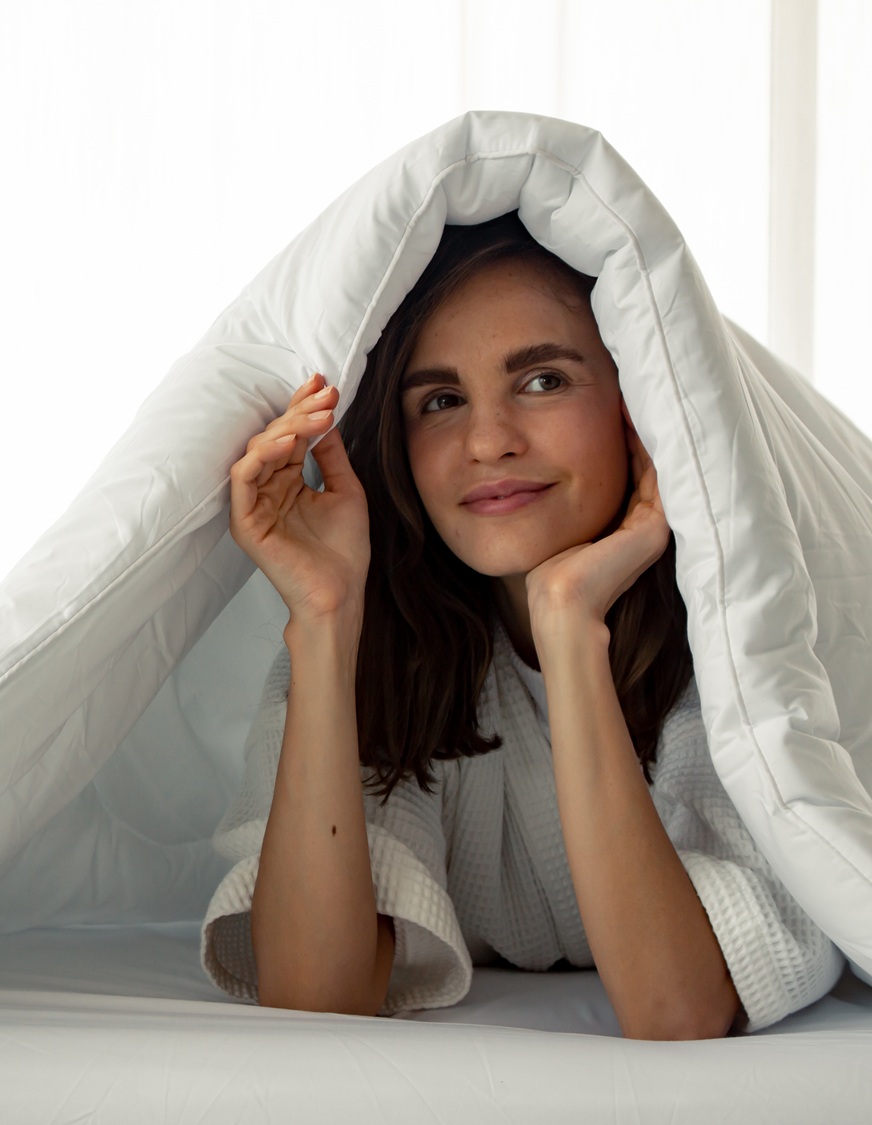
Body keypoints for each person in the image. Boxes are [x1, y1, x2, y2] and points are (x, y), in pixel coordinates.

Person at [202, 213, 841, 1039]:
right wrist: (324, 620)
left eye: (543, 380)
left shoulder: (739, 645)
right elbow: (315, 996)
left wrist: (570, 626)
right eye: (441, 400)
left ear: (638, 406)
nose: (489, 441)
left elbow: (678, 1009)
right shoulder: (377, 645)